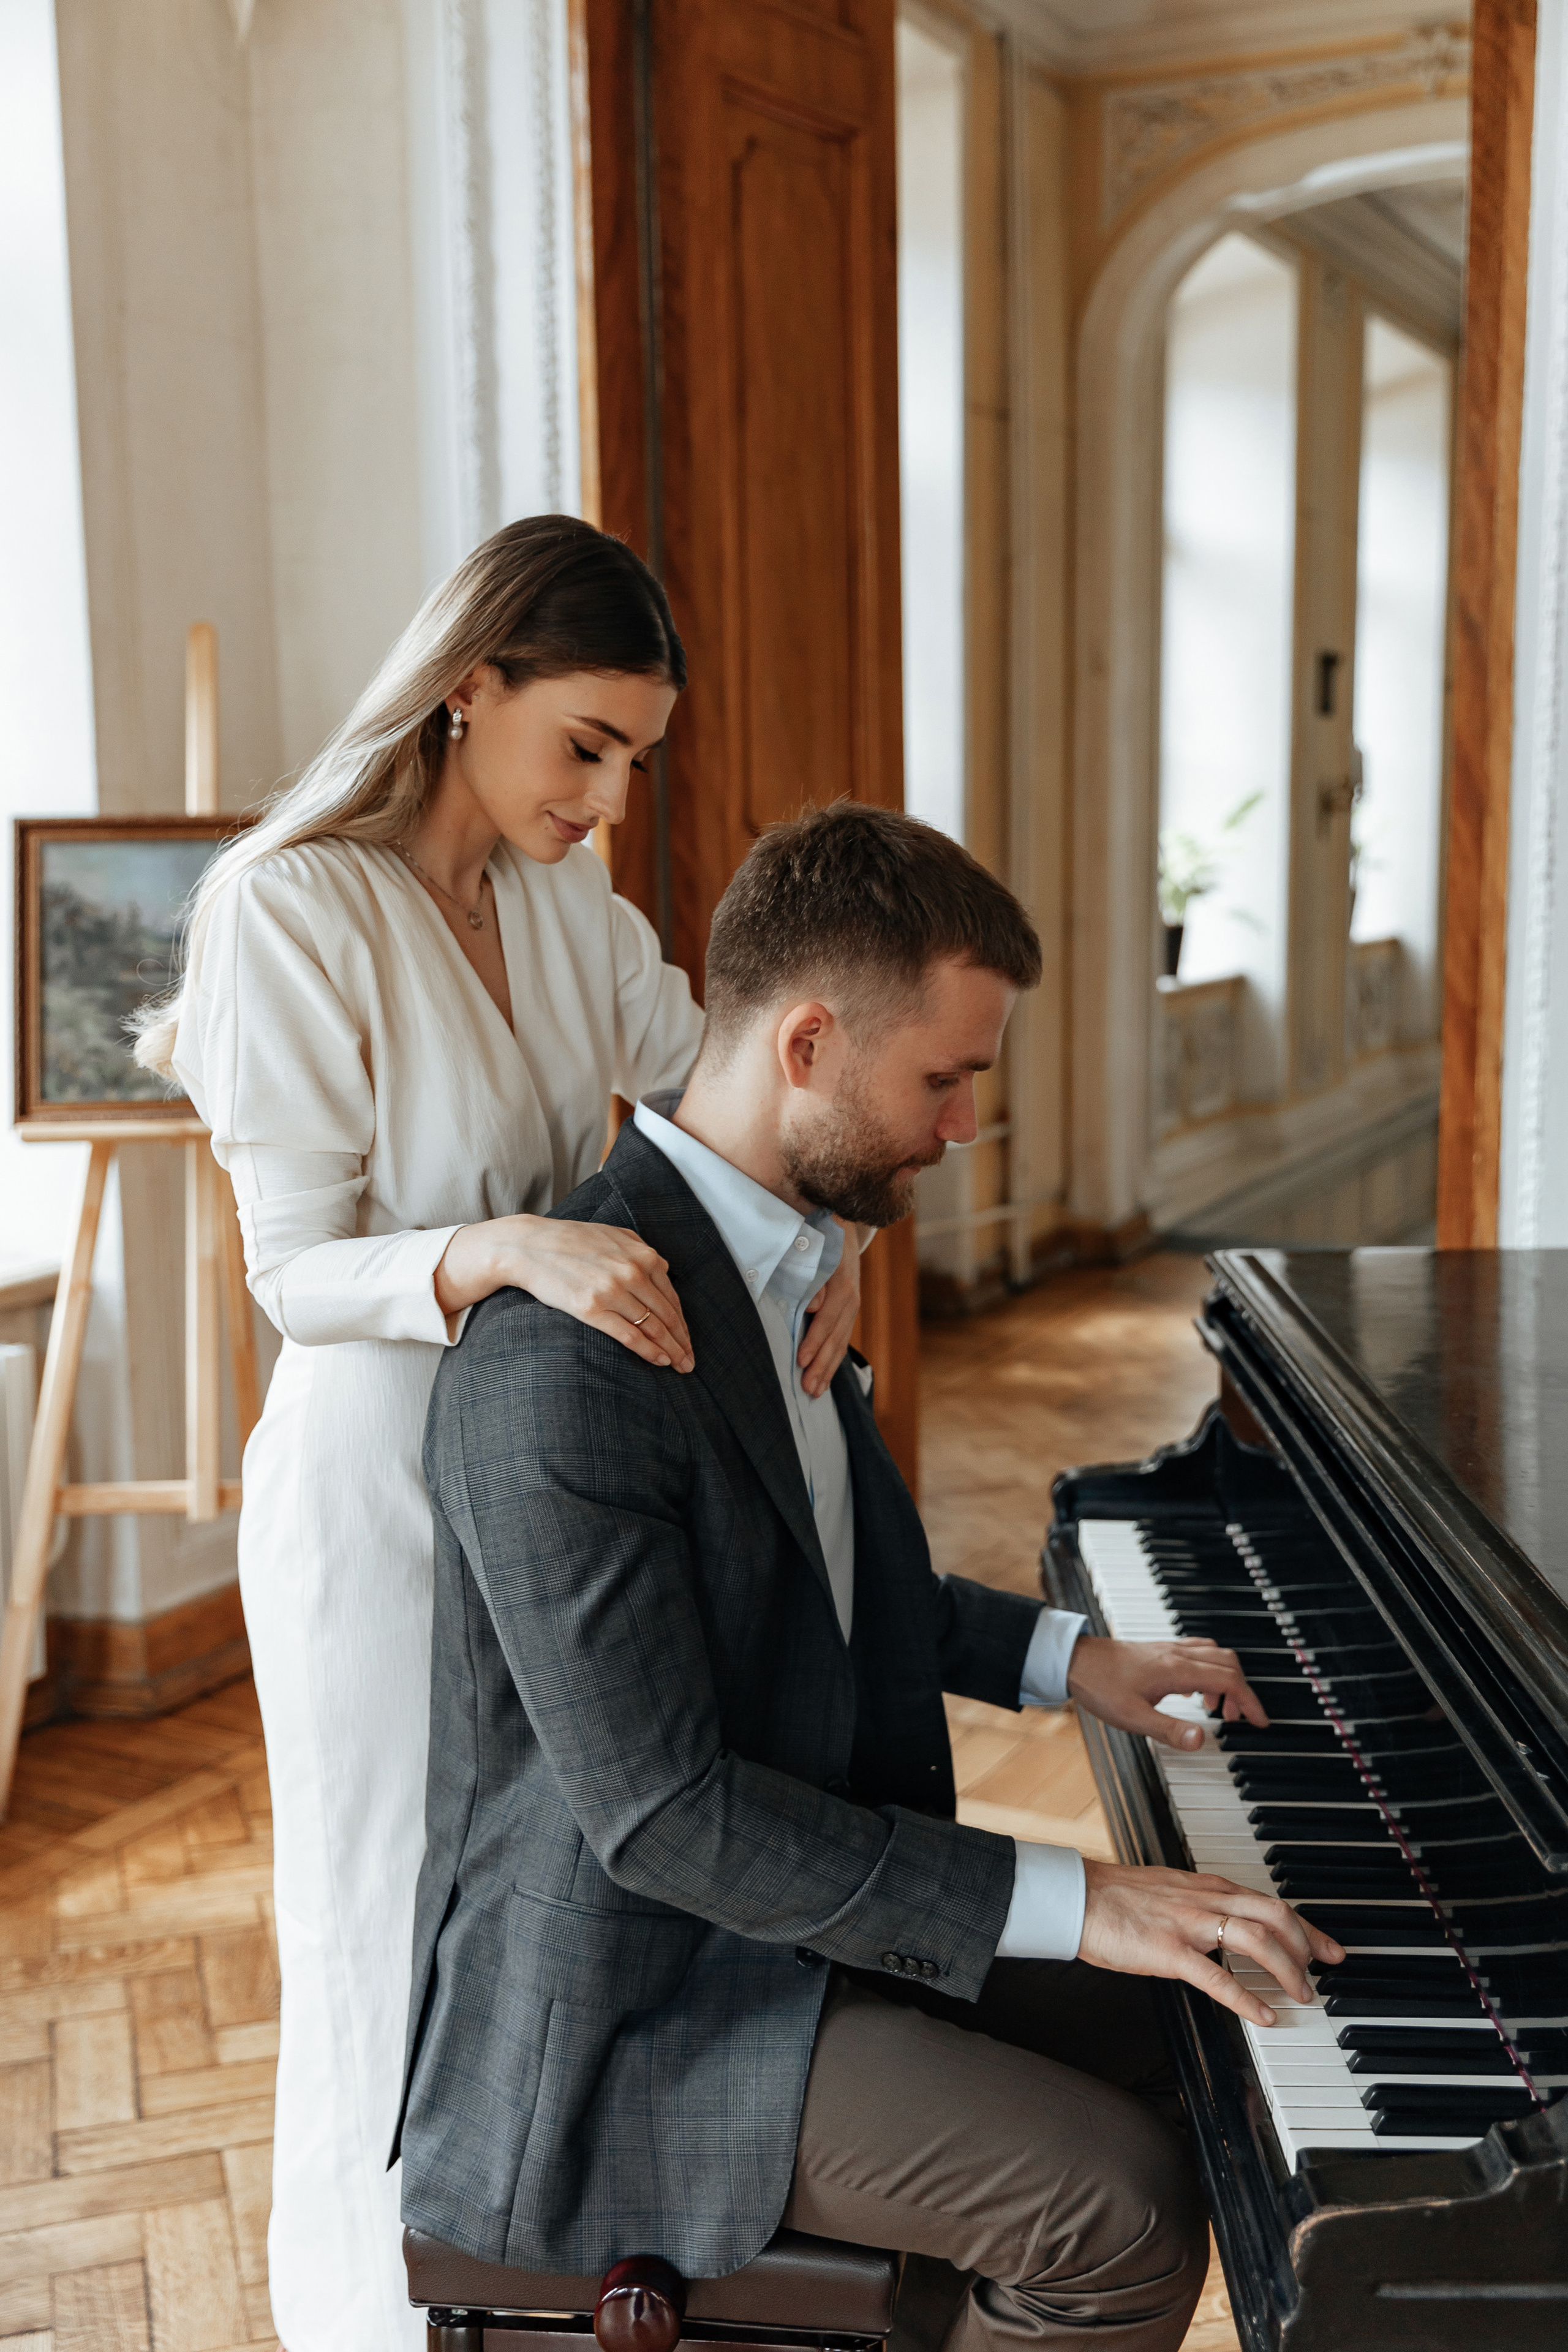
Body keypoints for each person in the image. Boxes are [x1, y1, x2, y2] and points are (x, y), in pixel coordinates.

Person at [399, 802, 1343, 2352]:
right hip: (640, 2013)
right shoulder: (564, 1362)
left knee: (1219, 2008)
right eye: (941, 1079)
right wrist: (1082, 1898)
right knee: (1114, 2209)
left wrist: (1070, 1660)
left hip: (788, 1916)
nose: (962, 1126)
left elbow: (823, 1591)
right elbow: (663, 1818)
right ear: (807, 1043)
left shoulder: (793, 1264)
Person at [135, 516, 864, 2352]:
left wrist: (827, 1242)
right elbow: (294, 1272)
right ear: (472, 688)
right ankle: (362, 2314)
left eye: (635, 762)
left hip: (550, 1472)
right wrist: (508, 1247)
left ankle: (514, 2287)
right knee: (383, 1893)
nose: (606, 799)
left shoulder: (569, 908)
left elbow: (723, 1096)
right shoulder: (289, 907)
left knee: (545, 1883)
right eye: (584, 745)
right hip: (376, 1476)